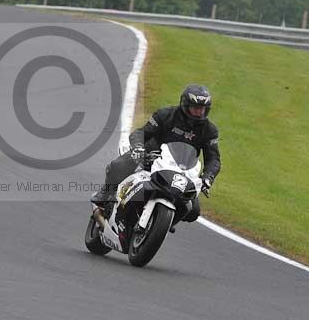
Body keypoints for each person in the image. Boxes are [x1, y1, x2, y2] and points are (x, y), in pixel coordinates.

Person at [91, 84, 221, 227]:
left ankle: (163, 223)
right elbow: (141, 133)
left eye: (201, 109)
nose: (198, 112)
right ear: (185, 105)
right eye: (195, 108)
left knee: (193, 210)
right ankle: (105, 195)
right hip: (151, 157)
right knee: (119, 166)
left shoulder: (210, 130)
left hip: (182, 171)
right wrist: (138, 148)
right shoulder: (165, 115)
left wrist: (208, 177)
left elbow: (213, 158)